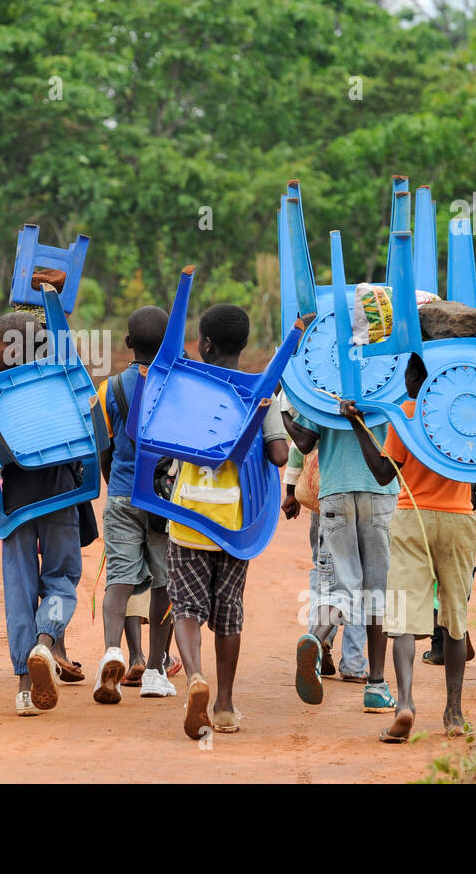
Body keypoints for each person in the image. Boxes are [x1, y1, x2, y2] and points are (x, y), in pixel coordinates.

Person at [167, 304, 306, 739]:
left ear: (206, 345)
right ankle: (225, 705)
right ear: (243, 345)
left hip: (189, 516)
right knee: (229, 615)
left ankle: (193, 677)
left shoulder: (189, 390)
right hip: (235, 523)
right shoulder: (257, 392)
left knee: (186, 609)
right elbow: (281, 455)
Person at [341, 354, 476, 740]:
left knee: (401, 614)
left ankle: (404, 704)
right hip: (458, 517)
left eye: (407, 374)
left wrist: (357, 426)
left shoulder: (406, 412)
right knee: (454, 616)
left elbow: (385, 473)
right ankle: (453, 712)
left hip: (411, 517)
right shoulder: (465, 408)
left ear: (417, 376)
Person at [0, 310, 84, 716]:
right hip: (62, 495)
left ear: (12, 349)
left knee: (19, 588)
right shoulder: (59, 382)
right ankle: (46, 645)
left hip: (16, 503)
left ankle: (26, 688)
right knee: (61, 580)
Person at [285, 374, 400, 715]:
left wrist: (283, 415)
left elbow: (305, 443)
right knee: (377, 591)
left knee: (342, 585)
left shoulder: (326, 379)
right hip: (379, 494)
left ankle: (316, 637)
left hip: (334, 490)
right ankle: (376, 685)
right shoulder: (390, 378)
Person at [92, 305, 177, 703]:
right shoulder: (176, 388)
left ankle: (112, 652)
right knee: (164, 583)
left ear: (128, 343)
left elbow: (103, 451)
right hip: (164, 499)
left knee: (119, 580)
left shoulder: (108, 390)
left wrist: (119, 488)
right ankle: (157, 670)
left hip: (124, 492)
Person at [282, 442, 368, 681]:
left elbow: (300, 443)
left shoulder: (321, 404)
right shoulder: (381, 405)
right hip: (368, 499)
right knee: (361, 580)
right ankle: (353, 662)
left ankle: (319, 644)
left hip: (326, 496)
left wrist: (291, 490)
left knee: (324, 574)